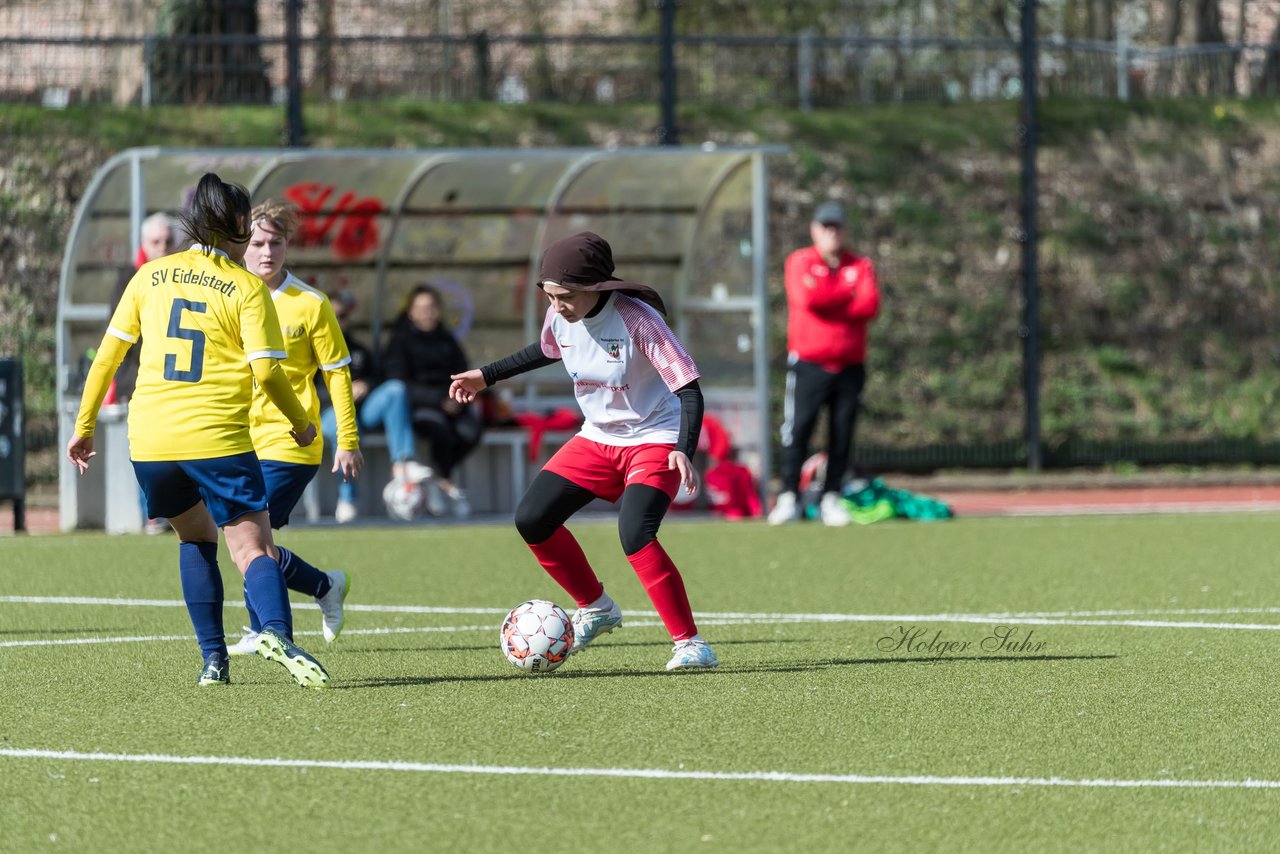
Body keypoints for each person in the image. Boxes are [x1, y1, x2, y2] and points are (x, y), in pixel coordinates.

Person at [66, 172, 330, 689]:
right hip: (217, 437)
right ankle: (276, 631)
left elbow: (107, 357)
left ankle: (213, 662)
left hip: (150, 440)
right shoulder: (247, 288)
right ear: (236, 224)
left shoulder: (148, 276)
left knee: (193, 536)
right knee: (253, 547)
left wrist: (84, 427)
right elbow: (268, 373)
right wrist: (301, 423)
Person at [449, 231, 719, 671]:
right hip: (597, 437)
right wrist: (486, 375)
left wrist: (684, 449)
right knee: (533, 518)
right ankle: (596, 607)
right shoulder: (560, 318)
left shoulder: (638, 320)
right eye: (550, 296)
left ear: (596, 288)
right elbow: (545, 350)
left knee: (635, 533)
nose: (557, 306)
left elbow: (688, 388)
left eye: (566, 297)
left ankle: (691, 644)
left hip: (655, 436)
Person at [225, 198, 358, 657]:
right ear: (242, 246)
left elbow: (337, 371)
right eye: (257, 243)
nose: (266, 252)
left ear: (288, 246)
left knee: (250, 536)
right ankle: (323, 586)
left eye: (275, 243)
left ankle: (270, 630)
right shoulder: (231, 295)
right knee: (250, 538)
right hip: (237, 438)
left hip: (292, 441)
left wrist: (348, 440)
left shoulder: (310, 303)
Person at [769, 201, 881, 527]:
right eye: (825, 227)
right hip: (809, 363)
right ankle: (789, 495)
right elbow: (808, 301)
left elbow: (869, 304)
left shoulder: (860, 264)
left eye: (836, 227)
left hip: (849, 364)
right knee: (798, 428)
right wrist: (846, 294)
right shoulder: (800, 260)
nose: (831, 233)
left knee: (842, 433)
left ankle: (831, 495)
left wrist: (832, 296)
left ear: (845, 231)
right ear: (814, 230)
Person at [320, 289, 433, 523]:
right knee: (344, 426)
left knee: (395, 389)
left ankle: (403, 464)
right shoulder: (310, 348)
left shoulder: (359, 350)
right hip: (327, 413)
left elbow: (380, 376)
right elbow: (303, 386)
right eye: (332, 314)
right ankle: (348, 498)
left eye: (342, 316)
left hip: (363, 411)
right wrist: (338, 394)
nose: (338, 321)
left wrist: (366, 385)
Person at [384, 284, 481, 517]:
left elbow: (463, 371)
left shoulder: (447, 340)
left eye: (431, 308)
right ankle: (445, 484)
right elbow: (399, 384)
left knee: (471, 430)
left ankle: (440, 478)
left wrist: (457, 399)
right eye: (421, 308)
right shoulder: (400, 342)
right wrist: (438, 400)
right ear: (411, 312)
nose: (427, 313)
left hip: (451, 402)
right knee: (439, 431)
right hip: (420, 406)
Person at [111, 212, 179, 534]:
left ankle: (178, 512)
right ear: (144, 245)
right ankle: (152, 515)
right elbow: (118, 338)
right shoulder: (131, 279)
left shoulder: (184, 280)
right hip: (140, 380)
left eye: (168, 242)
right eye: (156, 242)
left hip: (177, 379)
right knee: (145, 446)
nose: (163, 248)